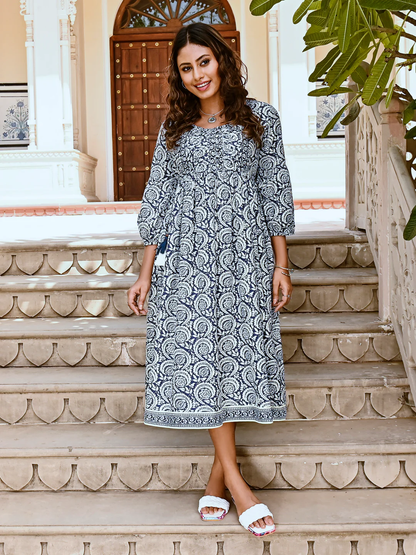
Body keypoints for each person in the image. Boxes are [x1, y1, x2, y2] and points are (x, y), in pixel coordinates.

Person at [127, 21, 295, 538]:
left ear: (221, 59)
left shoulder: (260, 118)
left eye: (204, 61)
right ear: (179, 76)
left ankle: (217, 479)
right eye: (186, 68)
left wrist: (281, 263)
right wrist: (145, 270)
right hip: (189, 263)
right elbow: (159, 199)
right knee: (207, 363)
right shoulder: (174, 129)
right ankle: (240, 487)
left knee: (235, 359)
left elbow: (275, 192)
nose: (198, 74)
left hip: (245, 261)